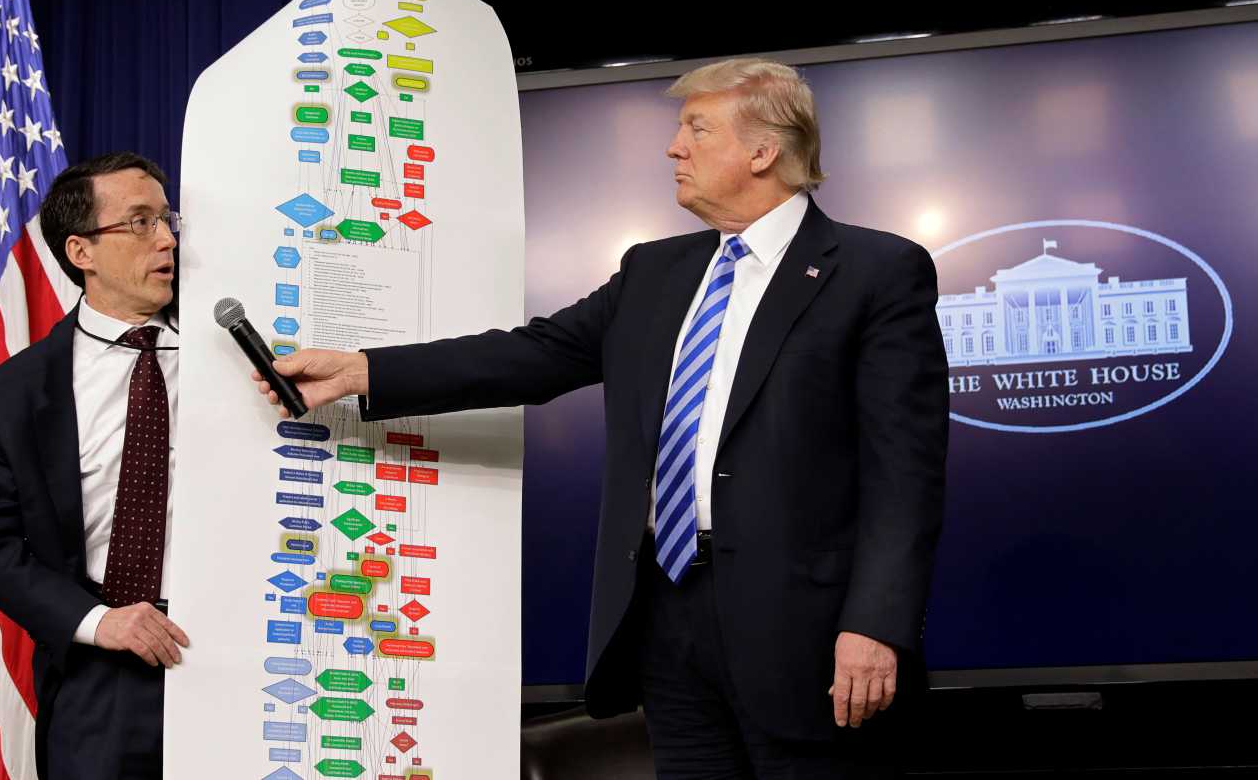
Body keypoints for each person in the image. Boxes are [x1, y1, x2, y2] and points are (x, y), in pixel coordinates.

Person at [256, 58, 949, 777]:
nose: (673, 147)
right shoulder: (655, 271)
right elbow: (536, 354)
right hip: (665, 613)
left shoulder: (875, 272)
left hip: (809, 634)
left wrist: (875, 624)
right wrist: (364, 370)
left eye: (696, 128)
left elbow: (907, 477)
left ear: (763, 151)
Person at [0, 151, 188, 780]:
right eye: (140, 223)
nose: (166, 238)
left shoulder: (237, 357)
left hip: (247, 656)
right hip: (102, 674)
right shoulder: (12, 396)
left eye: (168, 220)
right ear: (81, 252)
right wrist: (100, 622)